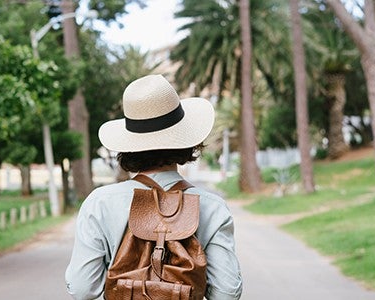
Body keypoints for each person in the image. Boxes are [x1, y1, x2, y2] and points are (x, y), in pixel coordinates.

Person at [65, 74, 243, 299]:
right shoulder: (212, 206)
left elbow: (82, 289)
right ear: (187, 141)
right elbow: (227, 292)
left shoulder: (99, 203)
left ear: (128, 146)